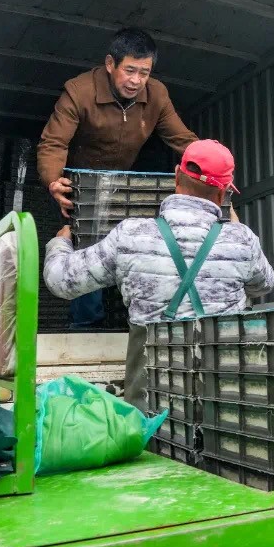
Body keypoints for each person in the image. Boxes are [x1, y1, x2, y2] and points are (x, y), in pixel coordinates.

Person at [43, 139, 274, 413]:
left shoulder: (130, 235)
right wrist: (235, 228)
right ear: (224, 191)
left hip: (151, 412)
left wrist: (60, 243)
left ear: (177, 175)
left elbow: (62, 282)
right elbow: (264, 284)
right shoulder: (242, 240)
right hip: (222, 413)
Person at [37, 27, 199, 328]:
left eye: (144, 72)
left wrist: (210, 166)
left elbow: (181, 138)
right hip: (78, 187)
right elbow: (54, 143)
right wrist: (53, 180)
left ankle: (141, 321)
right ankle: (86, 329)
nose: (136, 81)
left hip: (122, 184)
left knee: (135, 247)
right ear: (111, 64)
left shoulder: (157, 95)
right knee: (87, 249)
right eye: (129, 70)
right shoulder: (79, 90)